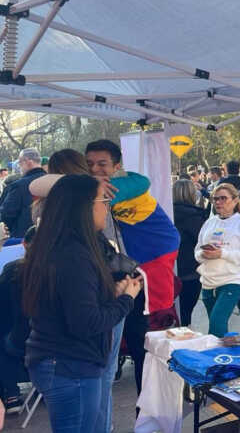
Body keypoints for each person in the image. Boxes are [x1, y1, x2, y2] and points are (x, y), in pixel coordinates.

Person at [23, 174, 142, 433]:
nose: (106, 207)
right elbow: (86, 322)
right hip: (69, 364)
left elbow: (76, 302)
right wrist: (125, 300)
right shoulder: (72, 255)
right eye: (103, 200)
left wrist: (112, 292)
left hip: (73, 361)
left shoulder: (65, 247)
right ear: (84, 207)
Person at [86, 139, 179, 399]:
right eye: (90, 164)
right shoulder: (95, 188)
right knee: (130, 338)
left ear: (117, 166)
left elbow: (141, 182)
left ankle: (148, 407)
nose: (95, 169)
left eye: (102, 164)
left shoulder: (123, 184)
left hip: (152, 257)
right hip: (129, 265)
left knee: (143, 340)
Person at [195, 183, 240, 337]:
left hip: (232, 279)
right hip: (208, 281)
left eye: (223, 198)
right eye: (215, 199)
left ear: (235, 200)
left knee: (217, 323)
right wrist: (203, 254)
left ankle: (215, 358)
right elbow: (197, 251)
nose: (218, 202)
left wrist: (222, 254)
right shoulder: (210, 222)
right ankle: (225, 355)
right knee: (216, 328)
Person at [0, 226, 35, 413]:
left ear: (24, 244)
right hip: (58, 344)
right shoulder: (61, 271)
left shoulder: (13, 271)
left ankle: (11, 394)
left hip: (23, 342)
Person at [173, 180, 208, 327]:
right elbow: (203, 244)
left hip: (169, 270)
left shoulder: (164, 214)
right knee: (186, 314)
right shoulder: (196, 218)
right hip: (190, 272)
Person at [0, 148, 46, 238]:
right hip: (51, 239)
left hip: (24, 241)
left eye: (20, 162)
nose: (19, 166)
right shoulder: (55, 183)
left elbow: (6, 215)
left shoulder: (18, 186)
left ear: (28, 162)